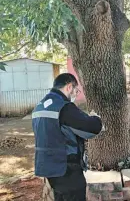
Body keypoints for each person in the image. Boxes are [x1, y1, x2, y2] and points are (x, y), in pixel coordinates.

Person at [32, 73, 103, 201]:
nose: (76, 95)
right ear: (69, 87)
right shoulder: (64, 107)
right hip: (66, 168)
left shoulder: (39, 106)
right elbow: (91, 127)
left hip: (48, 167)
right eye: (76, 91)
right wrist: (96, 118)